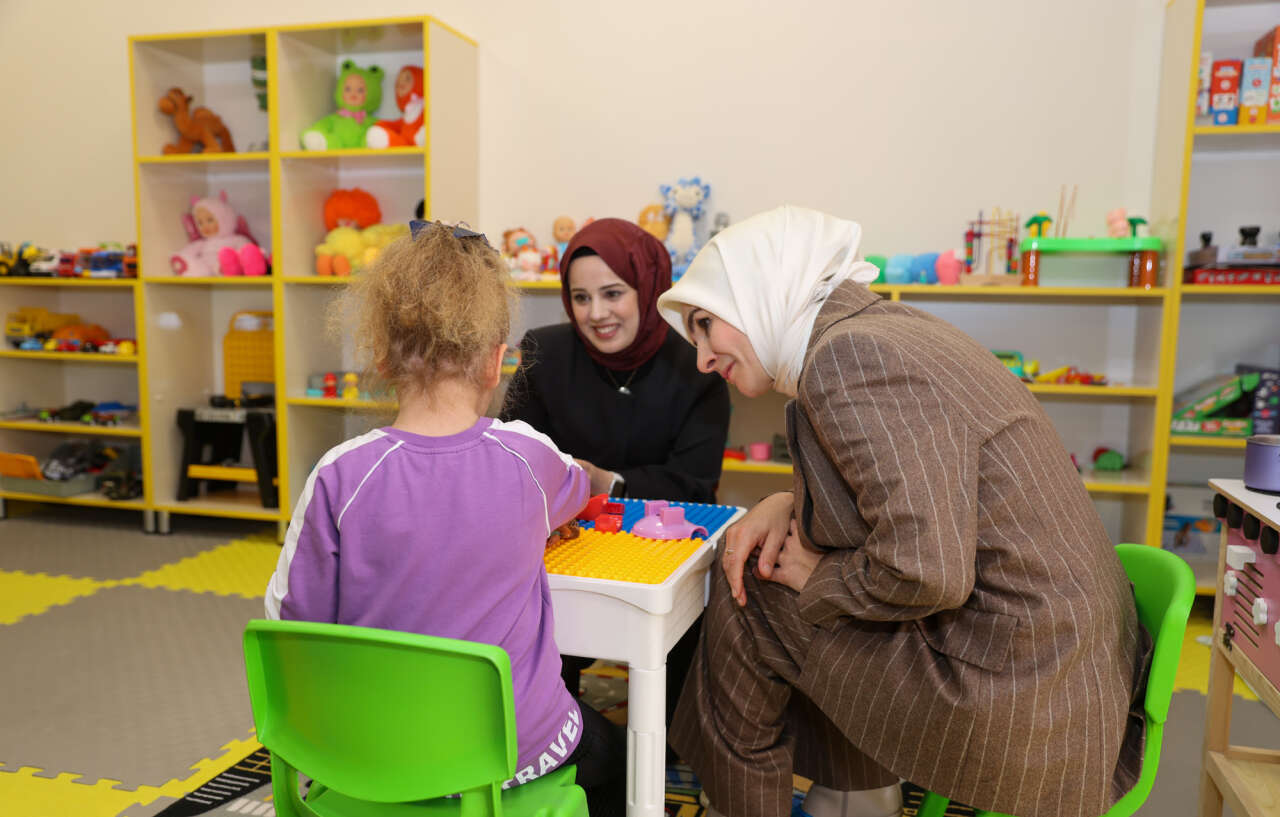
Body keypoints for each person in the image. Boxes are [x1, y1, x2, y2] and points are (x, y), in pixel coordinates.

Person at [653, 205, 1152, 817]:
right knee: (789, 583)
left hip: (1023, 696)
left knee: (749, 595)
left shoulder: (848, 357)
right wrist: (785, 501)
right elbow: (896, 498)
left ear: (764, 288)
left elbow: (926, 569)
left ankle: (779, 800)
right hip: (1063, 668)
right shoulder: (878, 328)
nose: (702, 357)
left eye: (706, 324)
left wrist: (817, 576)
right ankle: (857, 798)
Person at [264, 221, 625, 816]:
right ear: (495, 363)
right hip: (508, 758)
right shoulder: (528, 458)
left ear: (380, 356)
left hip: (365, 754)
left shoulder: (337, 475)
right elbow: (579, 485)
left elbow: (287, 624)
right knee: (612, 754)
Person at [501, 217, 731, 713]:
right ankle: (554, 731)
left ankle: (668, 744)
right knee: (538, 677)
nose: (596, 313)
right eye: (581, 298)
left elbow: (696, 485)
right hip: (563, 548)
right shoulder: (545, 352)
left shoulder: (698, 363)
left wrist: (606, 481)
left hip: (665, 554)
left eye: (612, 294)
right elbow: (511, 455)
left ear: (648, 290)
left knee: (675, 695)